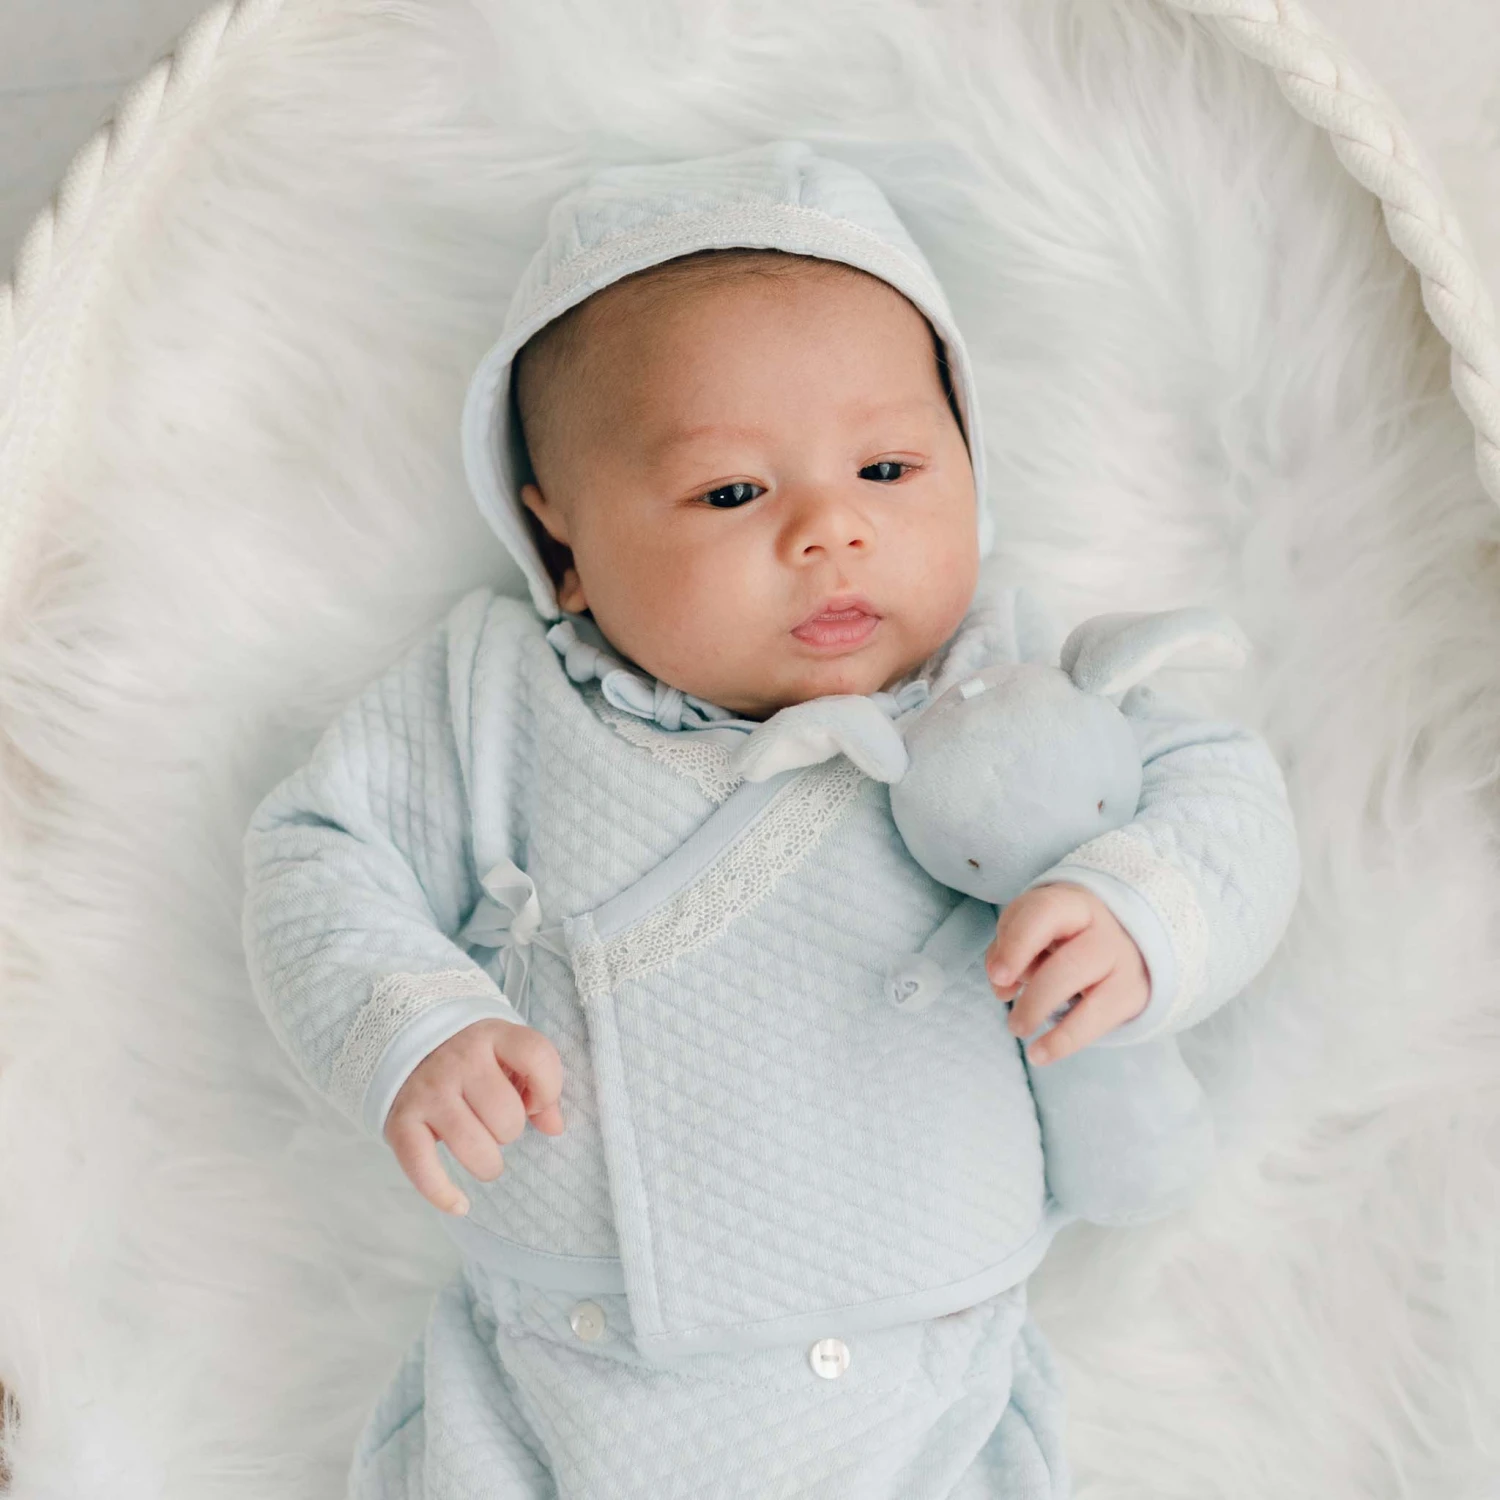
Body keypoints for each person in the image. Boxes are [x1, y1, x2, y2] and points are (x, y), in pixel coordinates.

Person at [241, 139, 1300, 1498]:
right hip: (572, 1377)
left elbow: (1224, 791)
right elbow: (318, 856)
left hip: (929, 1376)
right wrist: (413, 1023)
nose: (830, 532)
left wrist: (1135, 907)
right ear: (562, 541)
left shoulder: (1009, 686)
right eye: (733, 492)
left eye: (890, 470)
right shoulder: (493, 699)